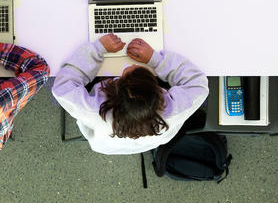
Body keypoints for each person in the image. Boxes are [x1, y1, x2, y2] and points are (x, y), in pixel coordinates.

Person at [52, 34, 208, 155]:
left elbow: (62, 88)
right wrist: (156, 61)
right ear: (159, 91)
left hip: (106, 145)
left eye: (126, 75)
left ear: (113, 91)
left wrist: (98, 49)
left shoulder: (94, 111)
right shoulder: (174, 110)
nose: (133, 65)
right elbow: (199, 84)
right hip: (150, 142)